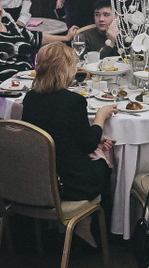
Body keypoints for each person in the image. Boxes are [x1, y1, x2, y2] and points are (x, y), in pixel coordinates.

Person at [21, 42, 114, 222]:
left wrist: (95, 136)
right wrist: (100, 118)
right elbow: (88, 145)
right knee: (106, 164)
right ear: (66, 69)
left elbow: (57, 133)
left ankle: (80, 225)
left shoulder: (30, 98)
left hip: (38, 180)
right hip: (69, 184)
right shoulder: (73, 102)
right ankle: (97, 226)